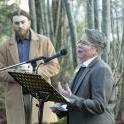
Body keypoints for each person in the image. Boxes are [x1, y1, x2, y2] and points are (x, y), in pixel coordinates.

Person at [0, 9, 60, 124]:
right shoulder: (5, 46)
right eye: (16, 23)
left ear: (29, 22)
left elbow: (54, 66)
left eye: (23, 22)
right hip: (16, 97)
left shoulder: (44, 41)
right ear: (12, 24)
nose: (20, 26)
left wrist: (34, 71)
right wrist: (17, 72)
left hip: (40, 95)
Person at [53, 29, 116, 124]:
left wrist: (70, 98)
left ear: (96, 50)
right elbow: (76, 101)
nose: (78, 45)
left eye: (84, 43)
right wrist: (61, 106)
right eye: (79, 42)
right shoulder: (81, 68)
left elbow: (98, 106)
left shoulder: (101, 69)